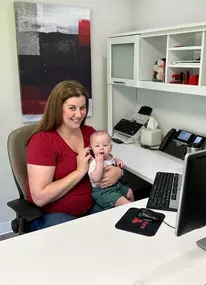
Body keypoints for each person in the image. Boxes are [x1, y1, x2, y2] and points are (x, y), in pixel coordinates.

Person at [26, 80, 123, 231]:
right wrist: (79, 171)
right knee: (85, 245)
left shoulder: (89, 133)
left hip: (94, 205)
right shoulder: (42, 141)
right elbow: (40, 197)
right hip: (54, 215)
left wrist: (118, 171)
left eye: (82, 108)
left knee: (127, 221)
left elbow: (107, 160)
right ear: (58, 108)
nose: (79, 114)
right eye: (72, 108)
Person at [89, 131, 134, 210]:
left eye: (105, 145)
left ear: (111, 148)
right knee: (123, 202)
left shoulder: (109, 156)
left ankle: (132, 210)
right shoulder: (94, 162)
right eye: (97, 146)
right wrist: (100, 163)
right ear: (91, 148)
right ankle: (133, 213)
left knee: (130, 192)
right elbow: (95, 178)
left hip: (116, 186)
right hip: (103, 191)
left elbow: (113, 159)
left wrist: (118, 161)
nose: (101, 148)